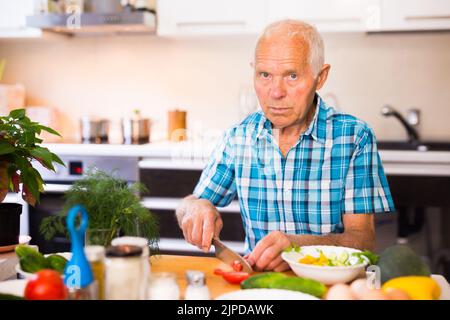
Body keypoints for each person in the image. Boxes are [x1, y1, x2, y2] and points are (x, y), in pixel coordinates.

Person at [176, 19, 395, 272]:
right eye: (265, 75)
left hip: (330, 288)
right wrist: (195, 209)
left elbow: (364, 241)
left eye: (291, 76)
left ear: (320, 77)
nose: (276, 92)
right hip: (262, 288)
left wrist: (298, 248)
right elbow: (190, 203)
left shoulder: (354, 138)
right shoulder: (238, 138)